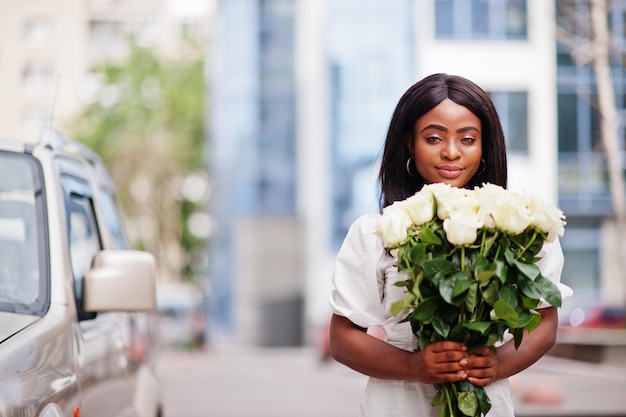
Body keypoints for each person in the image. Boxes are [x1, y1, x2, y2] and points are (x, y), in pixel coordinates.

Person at [328, 73, 573, 416]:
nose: (451, 152)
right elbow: (342, 338)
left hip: (486, 403)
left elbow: (545, 321)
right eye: (433, 138)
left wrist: (498, 364)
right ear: (410, 144)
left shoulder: (521, 228)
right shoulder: (375, 232)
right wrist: (415, 366)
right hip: (397, 404)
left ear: (484, 146)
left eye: (468, 139)